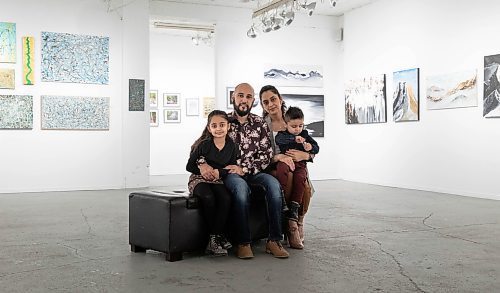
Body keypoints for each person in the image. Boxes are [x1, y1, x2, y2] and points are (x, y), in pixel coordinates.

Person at [222, 82, 289, 259]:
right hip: (232, 174)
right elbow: (204, 145)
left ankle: (274, 240)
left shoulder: (260, 123)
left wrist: (245, 168)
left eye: (249, 97)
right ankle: (243, 242)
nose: (244, 100)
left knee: (274, 186)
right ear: (233, 97)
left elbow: (266, 154)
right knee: (241, 190)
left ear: (253, 101)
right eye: (241, 95)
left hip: (254, 171)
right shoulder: (223, 122)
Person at [259, 85, 315, 248]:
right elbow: (260, 153)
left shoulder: (293, 118)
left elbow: (309, 146)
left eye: (273, 99)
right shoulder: (263, 125)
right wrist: (279, 157)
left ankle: (298, 221)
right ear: (263, 106)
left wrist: (305, 155)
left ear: (280, 99)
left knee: (303, 180)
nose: (270, 104)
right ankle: (290, 226)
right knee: (288, 174)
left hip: (297, 162)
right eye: (265, 102)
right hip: (274, 164)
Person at [186, 110, 238, 257]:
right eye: (214, 125)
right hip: (199, 179)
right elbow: (189, 166)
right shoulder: (203, 145)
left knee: (226, 198)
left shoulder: (232, 146)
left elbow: (231, 167)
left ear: (228, 126)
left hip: (217, 180)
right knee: (208, 197)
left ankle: (215, 235)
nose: (218, 128)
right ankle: (215, 238)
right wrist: (201, 170)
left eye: (222, 125)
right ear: (209, 128)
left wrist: (219, 173)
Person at [275, 106, 319, 248]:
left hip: (300, 164)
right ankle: (281, 199)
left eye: (300, 126)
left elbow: (316, 147)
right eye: (293, 126)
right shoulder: (282, 134)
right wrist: (295, 139)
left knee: (301, 179)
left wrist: (309, 148)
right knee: (282, 170)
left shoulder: (305, 134)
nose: (297, 129)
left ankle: (294, 206)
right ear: (286, 124)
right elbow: (280, 140)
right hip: (285, 161)